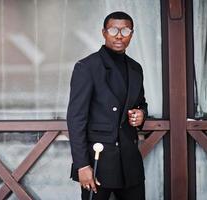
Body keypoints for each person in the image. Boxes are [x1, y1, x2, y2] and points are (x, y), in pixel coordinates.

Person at [67, 11, 148, 200]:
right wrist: (82, 165)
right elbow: (76, 119)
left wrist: (141, 114)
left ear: (132, 34)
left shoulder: (136, 68)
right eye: (113, 30)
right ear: (104, 33)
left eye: (125, 30)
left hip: (130, 163)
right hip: (98, 163)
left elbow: (141, 103)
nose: (119, 35)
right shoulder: (87, 67)